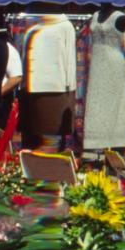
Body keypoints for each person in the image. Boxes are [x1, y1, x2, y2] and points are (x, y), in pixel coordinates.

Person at [83, 6, 125, 152]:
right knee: (97, 104)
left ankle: (116, 143)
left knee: (114, 103)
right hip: (96, 64)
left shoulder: (120, 16)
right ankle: (98, 142)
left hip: (113, 63)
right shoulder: (95, 15)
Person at [21, 14, 77, 150]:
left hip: (56, 89)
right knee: (34, 135)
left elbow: (70, 60)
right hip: (31, 89)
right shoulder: (31, 24)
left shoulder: (65, 26)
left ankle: (51, 166)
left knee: (52, 135)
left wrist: (69, 94)